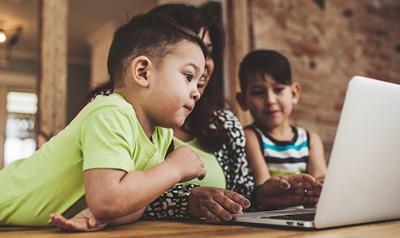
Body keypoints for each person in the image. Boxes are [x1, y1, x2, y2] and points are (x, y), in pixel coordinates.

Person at [52, 4, 322, 231]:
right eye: (190, 58)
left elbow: (243, 195)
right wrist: (186, 199)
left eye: (209, 52)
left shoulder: (226, 124)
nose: (204, 64)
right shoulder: (116, 113)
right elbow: (106, 195)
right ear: (145, 69)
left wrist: (266, 196)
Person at [0, 13, 207, 226]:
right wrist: (175, 168)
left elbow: (133, 204)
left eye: (199, 83)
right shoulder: (110, 112)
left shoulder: (162, 135)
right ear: (143, 72)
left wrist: (98, 217)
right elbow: (108, 200)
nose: (196, 93)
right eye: (189, 77)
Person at [236, 50, 327, 187]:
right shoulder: (250, 137)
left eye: (278, 90)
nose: (270, 100)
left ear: (294, 93)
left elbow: (320, 181)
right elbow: (264, 188)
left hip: (307, 209)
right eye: (258, 92)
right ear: (243, 101)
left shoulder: (310, 140)